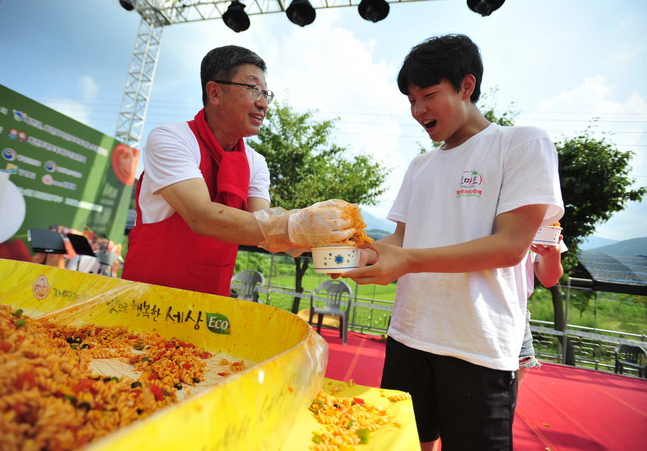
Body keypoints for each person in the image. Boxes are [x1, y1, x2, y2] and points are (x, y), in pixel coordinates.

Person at [341, 34, 564, 450]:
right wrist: (349, 252)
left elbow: (510, 246)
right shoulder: (420, 166)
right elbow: (399, 240)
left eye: (428, 95)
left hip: (479, 345)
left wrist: (407, 261)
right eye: (411, 100)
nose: (418, 110)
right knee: (406, 444)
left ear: (466, 85)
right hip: (408, 334)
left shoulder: (521, 143)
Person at [122, 45, 356, 296]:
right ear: (215, 92)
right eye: (254, 89)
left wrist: (327, 240)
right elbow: (200, 216)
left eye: (266, 93)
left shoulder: (256, 162)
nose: (263, 104)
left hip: (212, 301)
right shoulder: (171, 138)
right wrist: (296, 227)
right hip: (148, 295)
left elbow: (264, 229)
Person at [519, 236, 566, 384]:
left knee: (506, 394)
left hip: (515, 313)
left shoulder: (542, 222)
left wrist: (553, 253)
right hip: (462, 305)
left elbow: (549, 279)